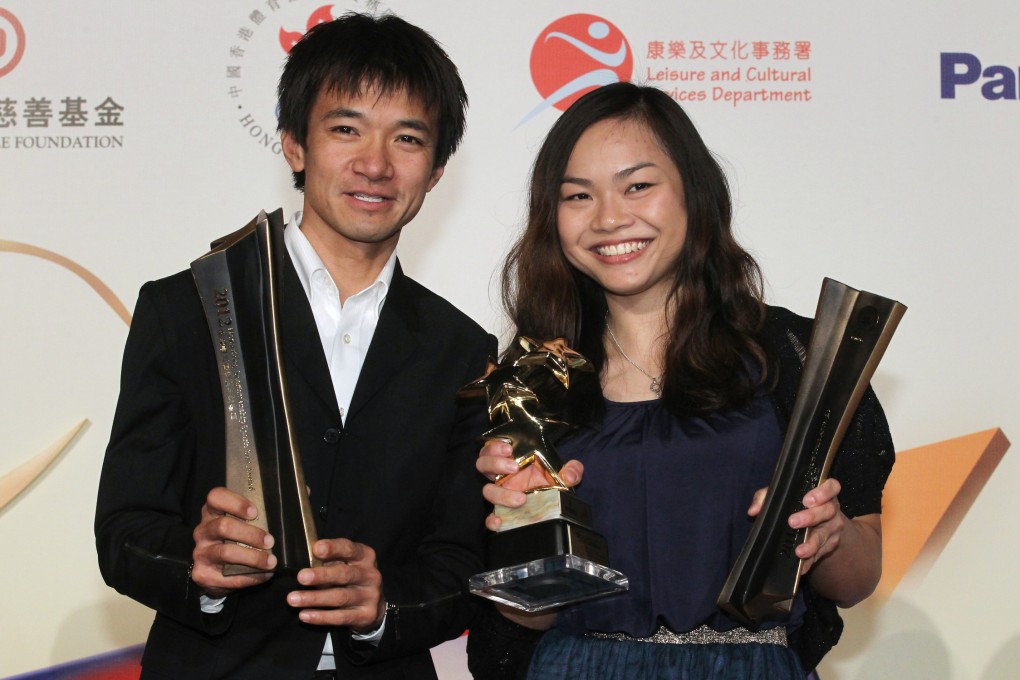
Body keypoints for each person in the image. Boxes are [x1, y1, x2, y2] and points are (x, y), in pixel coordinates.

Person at [95, 13, 495, 680]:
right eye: (346, 129)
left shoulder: (462, 351)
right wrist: (200, 568)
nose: (375, 163)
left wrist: (384, 603)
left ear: (437, 168)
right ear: (293, 144)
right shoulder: (193, 306)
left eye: (407, 138)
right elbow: (126, 529)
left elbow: (462, 563)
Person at [468, 82, 894, 679]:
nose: (610, 217)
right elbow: (529, 619)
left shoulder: (796, 357)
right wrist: (524, 538)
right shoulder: (528, 383)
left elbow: (857, 581)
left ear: (694, 192)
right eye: (577, 196)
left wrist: (828, 535)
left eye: (638, 185)